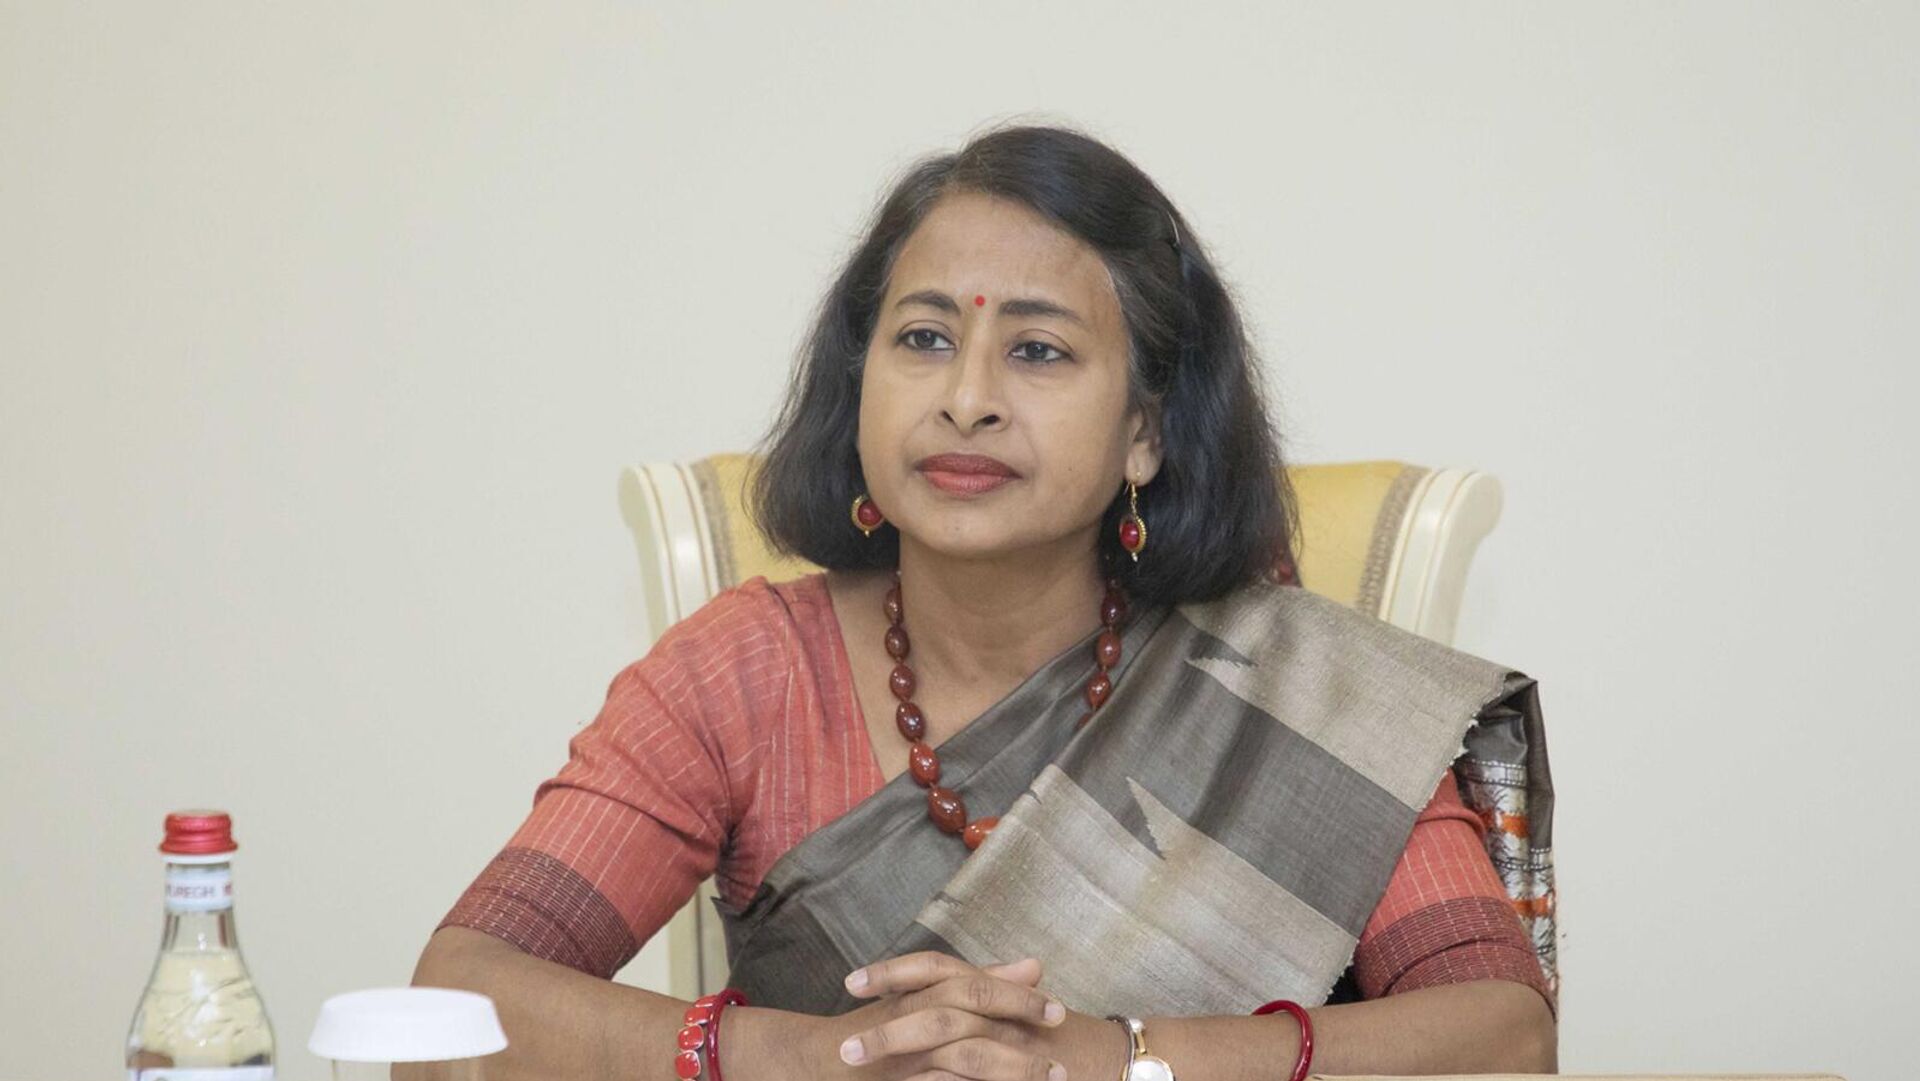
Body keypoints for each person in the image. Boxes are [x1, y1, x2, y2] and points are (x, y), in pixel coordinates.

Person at [413, 124, 1559, 1081]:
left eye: (1039, 351)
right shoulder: (747, 672)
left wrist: (1122, 1058)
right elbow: (456, 1000)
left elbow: (1503, 1037)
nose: (967, 398)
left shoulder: (1300, 692)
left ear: (1146, 431)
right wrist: (808, 1056)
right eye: (924, 338)